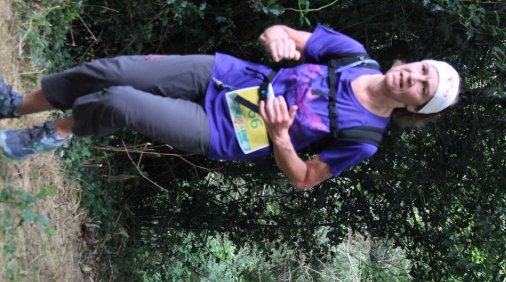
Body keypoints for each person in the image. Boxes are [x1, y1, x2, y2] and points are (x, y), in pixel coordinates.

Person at [0, 25, 460, 189]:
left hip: (228, 131)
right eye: (423, 69)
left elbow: (305, 178)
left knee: (120, 102)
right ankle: (17, 104)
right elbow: (286, 34)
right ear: (414, 62)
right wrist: (276, 37)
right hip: (229, 76)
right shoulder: (354, 55)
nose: (414, 78)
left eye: (424, 88)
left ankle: (52, 134)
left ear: (417, 108)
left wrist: (281, 138)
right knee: (112, 71)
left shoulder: (364, 138)